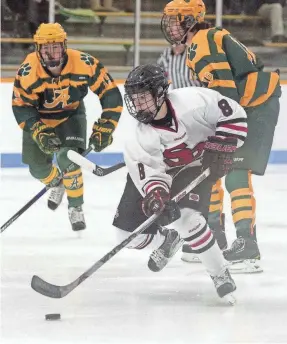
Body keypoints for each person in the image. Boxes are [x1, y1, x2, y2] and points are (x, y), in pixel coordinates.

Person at [161, 0, 281, 272]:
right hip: (245, 106)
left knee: (237, 173)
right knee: (211, 170)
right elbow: (219, 95)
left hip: (257, 108)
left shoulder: (204, 40)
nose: (169, 26)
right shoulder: (200, 43)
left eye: (174, 20)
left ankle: (247, 245)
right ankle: (215, 236)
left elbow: (227, 95)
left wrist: (218, 132)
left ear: (190, 20)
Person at [112, 63, 248, 302]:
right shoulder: (139, 138)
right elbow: (152, 176)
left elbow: (234, 115)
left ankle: (220, 274)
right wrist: (157, 199)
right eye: (134, 99)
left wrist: (223, 147)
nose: (137, 105)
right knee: (125, 236)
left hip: (194, 167)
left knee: (187, 219)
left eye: (143, 98)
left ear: (160, 93)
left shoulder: (194, 101)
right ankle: (167, 239)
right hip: (161, 172)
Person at [12, 23, 123, 231]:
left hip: (71, 116)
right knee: (37, 168)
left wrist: (107, 125)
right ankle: (56, 182)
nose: (51, 53)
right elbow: (21, 106)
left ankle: (75, 206)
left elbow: (111, 94)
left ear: (64, 46)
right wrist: (38, 130)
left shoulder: (84, 63)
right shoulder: (28, 71)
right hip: (40, 118)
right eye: (46, 48)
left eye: (55, 47)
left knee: (67, 158)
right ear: (38, 49)